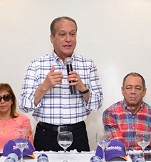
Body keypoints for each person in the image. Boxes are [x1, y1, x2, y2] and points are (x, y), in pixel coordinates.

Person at [20, 16, 103, 151]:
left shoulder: (87, 64)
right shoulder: (37, 64)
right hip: (46, 135)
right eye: (62, 34)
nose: (68, 39)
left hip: (77, 134)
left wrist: (83, 88)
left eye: (72, 34)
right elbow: (24, 106)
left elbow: (97, 104)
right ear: (52, 38)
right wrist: (44, 86)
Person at [102, 72, 151, 150]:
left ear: (144, 92)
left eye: (137, 88)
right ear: (122, 90)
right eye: (128, 88)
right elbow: (118, 147)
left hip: (147, 160)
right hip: (121, 160)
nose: (133, 92)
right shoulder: (110, 113)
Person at [0, 83, 33, 152]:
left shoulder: (24, 120)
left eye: (6, 97)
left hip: (16, 158)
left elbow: (28, 146)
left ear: (12, 101)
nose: (2, 101)